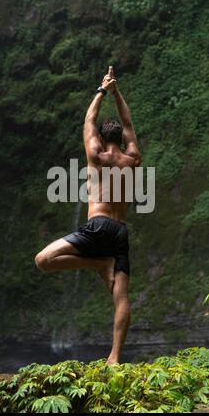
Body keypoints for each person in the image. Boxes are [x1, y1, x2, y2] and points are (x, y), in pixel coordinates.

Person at [35, 66, 141, 364]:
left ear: (101, 138)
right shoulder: (132, 159)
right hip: (120, 231)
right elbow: (129, 122)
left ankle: (97, 261)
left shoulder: (95, 155)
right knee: (121, 297)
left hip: (98, 226)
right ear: (121, 138)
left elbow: (89, 119)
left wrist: (102, 89)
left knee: (43, 261)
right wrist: (118, 92)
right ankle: (115, 358)